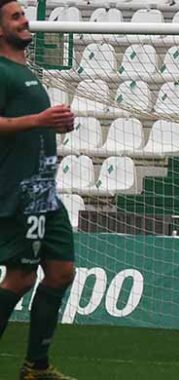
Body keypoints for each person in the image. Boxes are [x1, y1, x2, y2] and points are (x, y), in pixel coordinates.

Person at [0, 1, 78, 379]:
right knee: (21, 277)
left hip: (45, 189)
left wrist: (54, 127)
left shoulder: (23, 71)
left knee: (62, 271)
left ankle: (36, 367)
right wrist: (39, 120)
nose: (24, 20)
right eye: (15, 16)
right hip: (20, 189)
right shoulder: (0, 72)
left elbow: (29, 127)